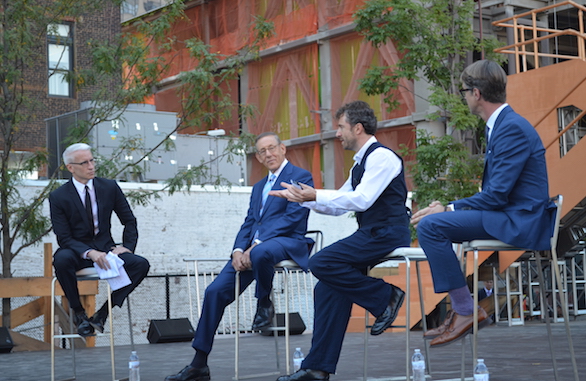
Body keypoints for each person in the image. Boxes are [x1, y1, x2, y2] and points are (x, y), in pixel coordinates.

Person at [411, 59, 555, 347]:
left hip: (519, 220)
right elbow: (496, 193)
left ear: (476, 93)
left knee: (430, 226)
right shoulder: (502, 125)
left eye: (464, 91)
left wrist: (449, 207)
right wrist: (451, 207)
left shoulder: (510, 128)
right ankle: (463, 310)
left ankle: (465, 310)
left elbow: (496, 195)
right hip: (509, 214)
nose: (463, 97)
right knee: (433, 224)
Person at [270, 100, 411, 381]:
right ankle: (317, 369)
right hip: (371, 232)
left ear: (357, 128)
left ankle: (386, 297)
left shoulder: (382, 158)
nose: (337, 133)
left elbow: (362, 199)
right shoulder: (360, 164)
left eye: (341, 127)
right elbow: (338, 205)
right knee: (326, 289)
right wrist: (302, 197)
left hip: (387, 232)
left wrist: (314, 195)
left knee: (321, 262)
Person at [165, 132, 313, 381]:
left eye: (272, 148)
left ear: (283, 149)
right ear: (258, 157)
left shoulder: (300, 176)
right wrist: (237, 251)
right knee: (214, 292)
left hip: (288, 241)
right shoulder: (258, 187)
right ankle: (199, 364)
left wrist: (254, 245)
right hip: (253, 250)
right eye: (262, 151)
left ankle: (264, 303)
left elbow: (292, 219)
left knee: (263, 251)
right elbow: (250, 222)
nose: (268, 154)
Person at [50, 143, 150, 337]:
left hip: (107, 250)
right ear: (71, 167)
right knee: (61, 260)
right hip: (77, 252)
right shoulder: (58, 196)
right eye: (84, 162)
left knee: (141, 264)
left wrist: (126, 247)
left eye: (92, 160)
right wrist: (89, 253)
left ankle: (102, 314)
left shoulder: (109, 187)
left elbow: (129, 221)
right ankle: (79, 313)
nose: (91, 166)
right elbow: (64, 237)